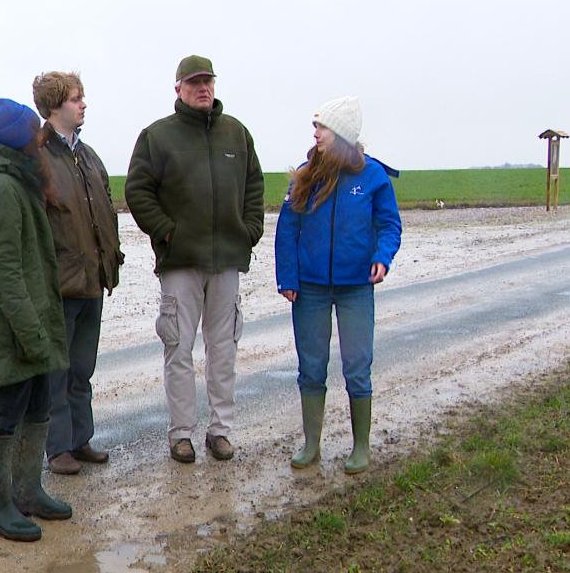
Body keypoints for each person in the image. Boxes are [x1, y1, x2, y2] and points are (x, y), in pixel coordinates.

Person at [125, 55, 265, 463]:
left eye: (208, 81)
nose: (203, 88)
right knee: (178, 348)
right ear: (178, 89)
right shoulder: (157, 137)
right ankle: (181, 433)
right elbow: (138, 191)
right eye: (194, 82)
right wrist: (167, 231)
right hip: (181, 263)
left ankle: (220, 431)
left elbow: (254, 186)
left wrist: (250, 229)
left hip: (226, 263)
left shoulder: (236, 134)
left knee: (224, 349)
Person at [0, 98, 72, 541]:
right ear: (19, 139)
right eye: (35, 133)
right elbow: (4, 273)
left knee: (38, 403)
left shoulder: (21, 179)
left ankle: (28, 492)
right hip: (13, 326)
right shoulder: (2, 189)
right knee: (6, 410)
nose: (42, 139)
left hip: (34, 319)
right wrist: (30, 334)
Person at [274, 96, 402, 474]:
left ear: (343, 134)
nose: (315, 134)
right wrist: (288, 277)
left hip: (356, 287)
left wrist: (382, 256)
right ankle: (311, 444)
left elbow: (389, 225)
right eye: (315, 128)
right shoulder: (306, 174)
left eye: (322, 128)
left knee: (357, 366)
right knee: (311, 367)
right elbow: (287, 230)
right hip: (310, 289)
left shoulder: (373, 177)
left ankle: (360, 447)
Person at [32, 71, 123, 475]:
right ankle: (58, 448)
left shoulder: (88, 157)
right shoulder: (37, 158)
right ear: (54, 107)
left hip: (92, 280)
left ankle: (80, 439)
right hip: (59, 284)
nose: (83, 104)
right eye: (75, 99)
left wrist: (111, 259)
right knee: (58, 370)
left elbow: (103, 212)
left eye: (82, 98)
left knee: (83, 367)